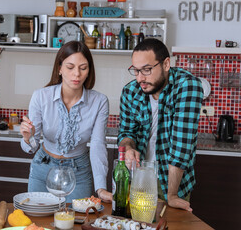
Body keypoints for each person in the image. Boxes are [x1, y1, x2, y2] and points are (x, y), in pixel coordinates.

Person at [20, 41, 112, 203]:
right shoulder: (41, 97)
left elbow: (98, 144)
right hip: (43, 168)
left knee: (76, 223)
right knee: (39, 222)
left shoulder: (99, 101)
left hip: (79, 172)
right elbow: (32, 146)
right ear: (59, 68)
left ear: (89, 71)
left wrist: (101, 188)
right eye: (70, 67)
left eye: (83, 68)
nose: (76, 74)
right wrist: (28, 138)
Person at [118, 38, 203, 211]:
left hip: (172, 183)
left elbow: (181, 146)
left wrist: (171, 195)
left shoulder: (187, 86)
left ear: (165, 64)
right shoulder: (130, 91)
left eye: (147, 70)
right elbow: (126, 133)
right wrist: (128, 148)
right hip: (138, 180)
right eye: (136, 70)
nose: (140, 78)